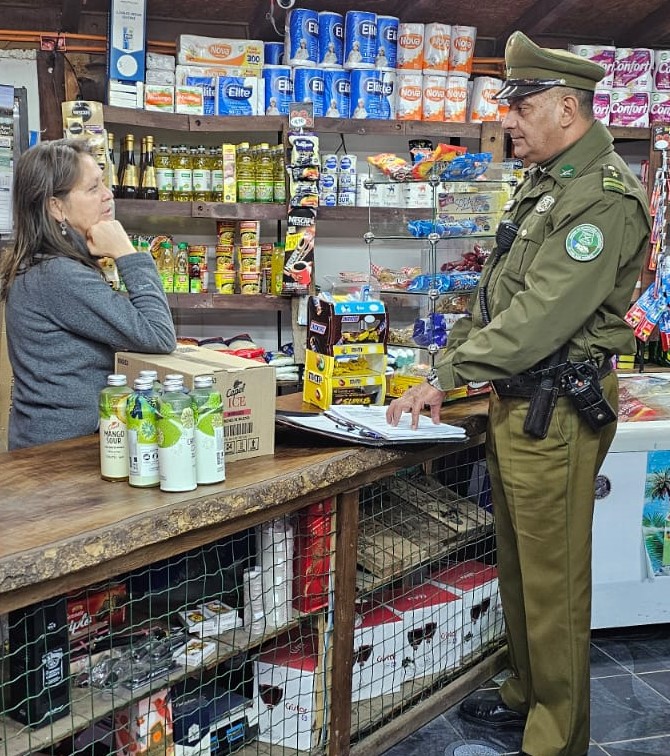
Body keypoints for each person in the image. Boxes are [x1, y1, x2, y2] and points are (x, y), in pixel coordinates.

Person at [387, 31, 650, 756]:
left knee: (554, 583)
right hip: (519, 402)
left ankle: (555, 737)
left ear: (567, 109)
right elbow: (497, 295)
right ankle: (527, 693)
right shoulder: (546, 183)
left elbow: (541, 318)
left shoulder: (602, 199)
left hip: (558, 410)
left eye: (521, 107)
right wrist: (455, 363)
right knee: (518, 564)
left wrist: (448, 375)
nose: (508, 120)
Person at [1, 138, 176, 450]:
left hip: (52, 449)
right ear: (56, 206)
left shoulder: (48, 266)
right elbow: (159, 335)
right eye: (93, 188)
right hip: (62, 460)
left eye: (104, 183)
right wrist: (127, 253)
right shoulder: (58, 275)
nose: (108, 195)